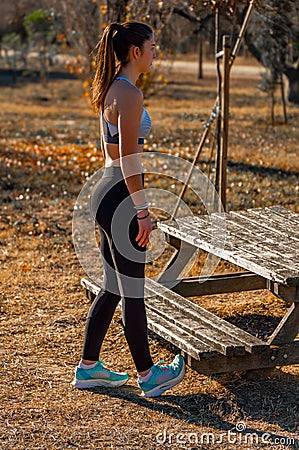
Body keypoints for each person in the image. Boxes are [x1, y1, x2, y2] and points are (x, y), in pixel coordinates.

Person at [71, 21, 185, 398]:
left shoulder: (111, 89)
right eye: (152, 46)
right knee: (132, 289)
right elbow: (131, 160)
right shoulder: (129, 94)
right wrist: (142, 211)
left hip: (104, 191)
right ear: (135, 52)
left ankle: (89, 368)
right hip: (119, 196)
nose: (156, 52)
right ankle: (149, 376)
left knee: (114, 286)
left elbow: (115, 154)